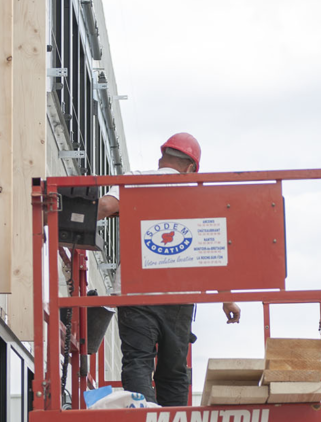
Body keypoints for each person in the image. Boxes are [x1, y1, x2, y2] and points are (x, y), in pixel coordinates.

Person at [97, 132, 241, 407]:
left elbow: (105, 206)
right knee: (173, 371)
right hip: (179, 295)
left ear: (161, 158)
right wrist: (227, 298)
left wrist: (58, 220)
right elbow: (211, 250)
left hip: (134, 292)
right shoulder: (197, 194)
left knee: (138, 362)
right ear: (190, 168)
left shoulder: (137, 180)